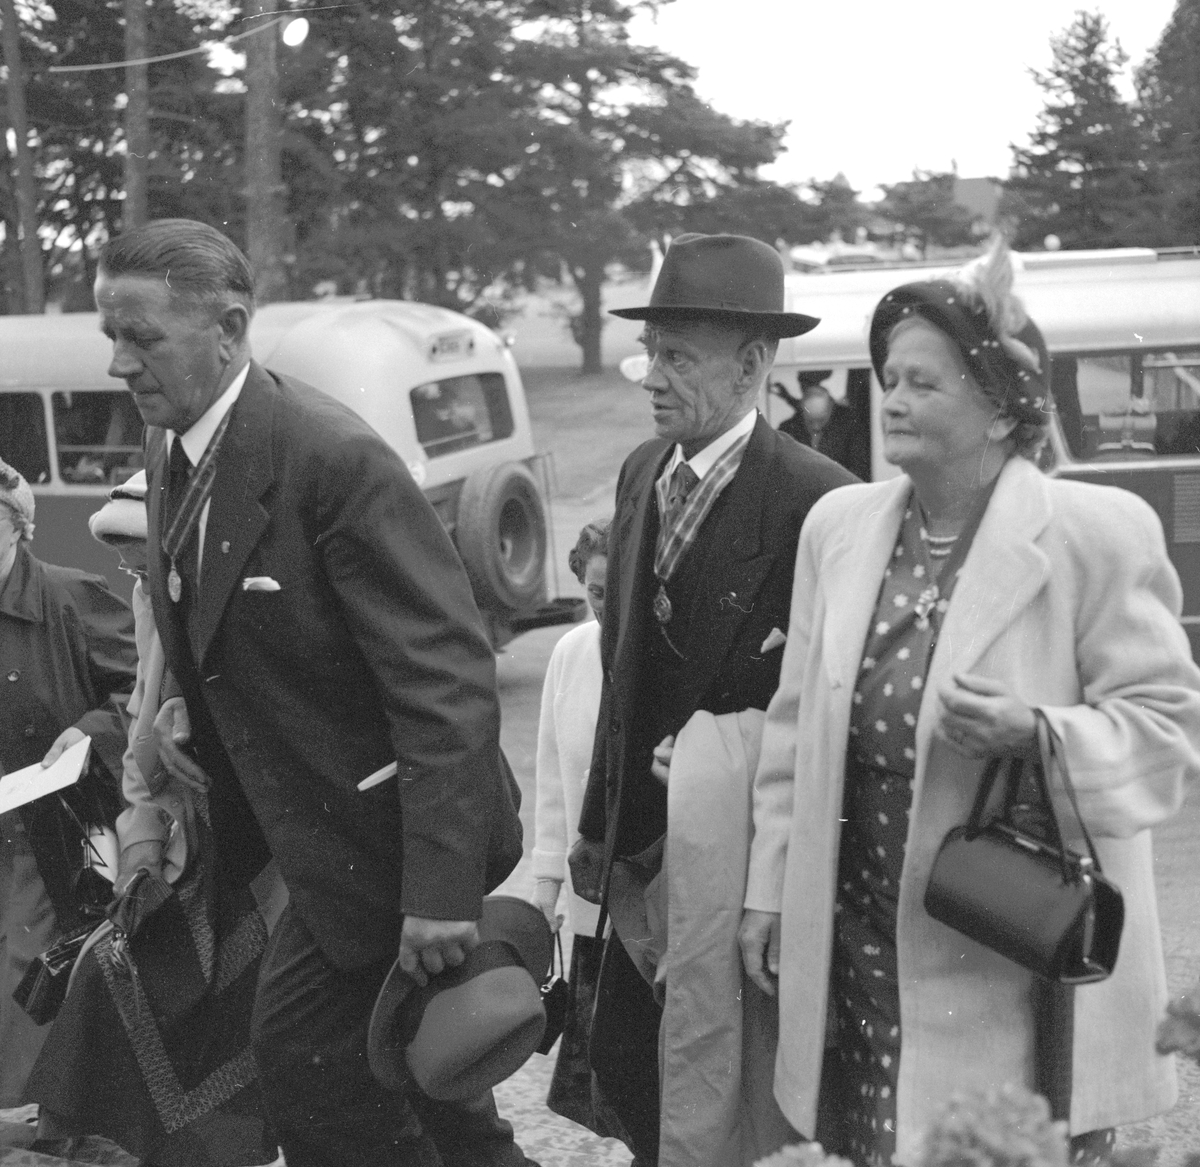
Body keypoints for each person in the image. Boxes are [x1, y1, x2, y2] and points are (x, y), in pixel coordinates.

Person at [740, 240, 1200, 1167]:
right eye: (888, 379)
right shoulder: (838, 530)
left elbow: (1167, 728)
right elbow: (795, 731)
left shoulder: (1097, 534)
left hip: (1008, 948)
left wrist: (1037, 732)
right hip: (857, 936)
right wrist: (770, 894)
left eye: (923, 382)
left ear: (1000, 407)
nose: (893, 401)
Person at [92, 219, 530, 1167]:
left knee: (307, 1069)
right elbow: (221, 624)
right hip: (312, 844)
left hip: (389, 849)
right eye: (110, 336)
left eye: (143, 337)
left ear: (229, 328)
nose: (120, 363)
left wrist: (441, 892)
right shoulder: (172, 451)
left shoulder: (332, 459)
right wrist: (189, 717)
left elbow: (446, 681)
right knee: (432, 1090)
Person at [569, 233, 857, 1167]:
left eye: (679, 358)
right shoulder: (640, 473)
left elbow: (830, 711)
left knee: (735, 1095)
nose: (652, 378)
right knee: (641, 1084)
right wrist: (596, 827)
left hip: (739, 871)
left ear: (753, 364)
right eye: (651, 352)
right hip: (640, 855)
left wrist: (719, 747)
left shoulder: (821, 501)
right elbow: (621, 673)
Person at [26, 472, 286, 1167]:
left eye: (141, 561)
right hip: (186, 852)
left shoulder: (236, 602)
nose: (132, 576)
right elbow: (142, 740)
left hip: (260, 864)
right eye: (126, 564)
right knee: (106, 978)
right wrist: (139, 850)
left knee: (244, 1023)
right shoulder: (152, 601)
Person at [0, 457, 136, 1105]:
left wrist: (90, 732)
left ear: (16, 526)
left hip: (68, 827)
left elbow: (147, 688)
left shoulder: (70, 596)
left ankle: (34, 1122)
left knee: (34, 975)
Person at [530, 518, 620, 1135]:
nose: (606, 606)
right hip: (590, 899)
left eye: (619, 591)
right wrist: (545, 889)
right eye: (595, 593)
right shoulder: (570, 654)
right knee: (602, 1076)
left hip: (653, 900)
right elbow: (551, 776)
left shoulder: (667, 649)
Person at [774, 371, 868, 479]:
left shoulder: (850, 427)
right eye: (810, 421)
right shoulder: (787, 430)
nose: (816, 427)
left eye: (821, 420)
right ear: (803, 413)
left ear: (830, 410)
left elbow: (859, 470)